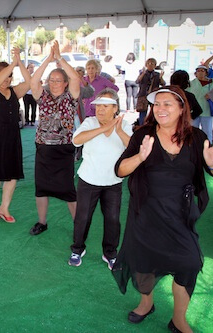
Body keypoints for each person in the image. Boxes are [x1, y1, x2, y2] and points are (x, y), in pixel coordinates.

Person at [112, 85, 213, 333]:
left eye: (168, 104)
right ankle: (146, 303)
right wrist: (140, 158)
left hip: (179, 215)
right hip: (145, 213)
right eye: (157, 104)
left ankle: (179, 319)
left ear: (182, 108)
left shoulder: (196, 138)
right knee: (143, 262)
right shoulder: (143, 134)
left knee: (189, 263)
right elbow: (120, 170)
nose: (160, 109)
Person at [68, 89, 131, 267]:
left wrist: (117, 130)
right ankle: (77, 249)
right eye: (98, 106)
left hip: (113, 182)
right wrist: (103, 127)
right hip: (88, 180)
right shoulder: (90, 122)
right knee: (83, 218)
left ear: (115, 108)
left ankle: (110, 253)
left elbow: (132, 147)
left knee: (112, 219)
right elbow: (76, 140)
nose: (100, 110)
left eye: (105, 106)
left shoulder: (124, 125)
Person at [28, 41, 81, 236]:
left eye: (59, 80)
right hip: (43, 147)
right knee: (41, 187)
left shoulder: (71, 96)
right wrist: (48, 59)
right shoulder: (43, 96)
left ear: (65, 83)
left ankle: (78, 224)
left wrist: (59, 58)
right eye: (52, 80)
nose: (55, 83)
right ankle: (42, 222)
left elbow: (75, 77)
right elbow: (34, 81)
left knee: (68, 189)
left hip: (64, 148)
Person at [0, 48, 31, 226]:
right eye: (5, 76)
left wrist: (19, 62)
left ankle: (4, 208)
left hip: (12, 137)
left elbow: (30, 81)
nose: (7, 80)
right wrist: (12, 63)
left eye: (10, 76)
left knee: (12, 177)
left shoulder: (14, 92)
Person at [186, 65, 213, 142]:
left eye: (202, 71)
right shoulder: (191, 83)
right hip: (194, 112)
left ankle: (208, 147)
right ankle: (192, 147)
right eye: (198, 71)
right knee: (192, 131)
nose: (200, 73)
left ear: (206, 73)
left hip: (207, 110)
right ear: (195, 73)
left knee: (207, 131)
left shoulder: (212, 82)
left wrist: (211, 95)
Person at [136, 58, 165, 125]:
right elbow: (137, 81)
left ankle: (153, 125)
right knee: (142, 112)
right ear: (146, 65)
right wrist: (143, 74)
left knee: (154, 111)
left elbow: (163, 84)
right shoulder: (143, 73)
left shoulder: (157, 74)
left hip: (153, 95)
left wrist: (161, 78)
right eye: (148, 64)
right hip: (143, 95)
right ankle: (141, 126)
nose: (150, 65)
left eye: (152, 64)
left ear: (155, 66)